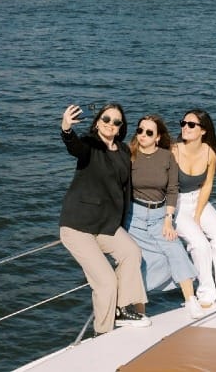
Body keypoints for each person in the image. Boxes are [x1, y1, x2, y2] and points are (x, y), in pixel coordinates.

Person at [58, 103, 149, 333]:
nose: (110, 124)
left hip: (106, 225)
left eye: (116, 122)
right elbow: (75, 148)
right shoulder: (90, 145)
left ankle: (122, 309)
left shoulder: (124, 151)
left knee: (132, 252)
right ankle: (103, 333)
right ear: (97, 122)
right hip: (78, 226)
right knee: (106, 282)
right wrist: (67, 129)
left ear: (121, 128)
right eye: (106, 119)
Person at [126, 115, 205, 319]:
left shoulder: (166, 157)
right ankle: (139, 311)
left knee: (175, 249)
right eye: (140, 130)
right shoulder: (129, 154)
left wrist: (168, 219)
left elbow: (172, 189)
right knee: (140, 260)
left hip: (160, 215)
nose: (143, 135)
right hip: (133, 216)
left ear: (158, 137)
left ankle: (190, 300)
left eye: (149, 132)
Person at [172, 108, 216, 308]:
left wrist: (198, 215)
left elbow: (207, 185)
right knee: (199, 244)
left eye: (191, 124)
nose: (185, 128)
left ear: (203, 130)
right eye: (183, 123)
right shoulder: (173, 150)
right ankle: (206, 293)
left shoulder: (210, 153)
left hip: (199, 200)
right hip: (177, 203)